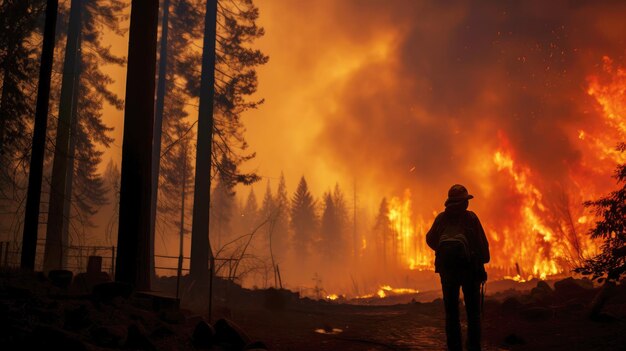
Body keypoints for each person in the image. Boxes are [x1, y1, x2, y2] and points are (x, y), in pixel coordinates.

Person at [426, 184, 489, 351]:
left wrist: (442, 250)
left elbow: (430, 239)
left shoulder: (441, 218)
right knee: (473, 314)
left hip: (448, 273)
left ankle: (454, 347)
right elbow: (482, 247)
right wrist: (481, 262)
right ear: (464, 203)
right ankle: (473, 347)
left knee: (452, 313)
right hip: (470, 271)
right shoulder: (471, 218)